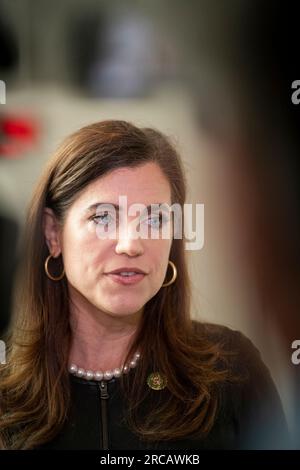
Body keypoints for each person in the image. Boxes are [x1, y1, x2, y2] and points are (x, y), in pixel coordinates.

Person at [0, 120, 289, 450]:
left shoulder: (232, 368)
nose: (130, 244)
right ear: (53, 234)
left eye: (154, 219)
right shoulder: (7, 389)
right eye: (103, 217)